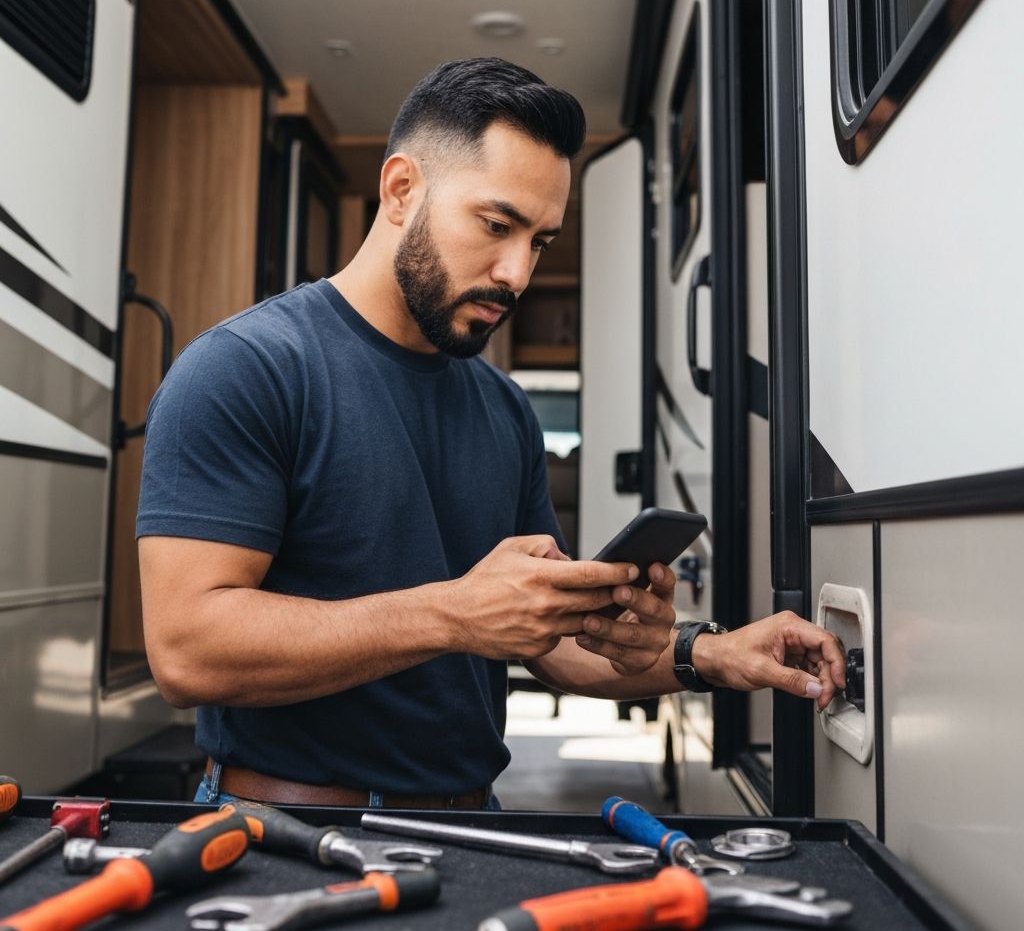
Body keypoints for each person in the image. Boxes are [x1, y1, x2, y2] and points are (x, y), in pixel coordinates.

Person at [137, 58, 844, 810]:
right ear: (402, 190)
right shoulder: (247, 369)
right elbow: (187, 649)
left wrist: (712, 653)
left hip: (472, 825)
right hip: (282, 828)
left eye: (539, 241)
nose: (516, 272)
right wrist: (455, 612)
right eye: (497, 224)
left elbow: (548, 642)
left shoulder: (503, 408)